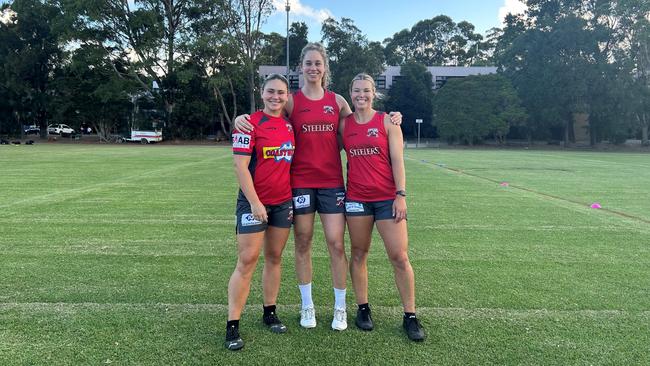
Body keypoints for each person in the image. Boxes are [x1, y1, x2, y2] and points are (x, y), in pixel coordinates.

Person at [234, 43, 402, 331]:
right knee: (303, 242)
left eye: (318, 63)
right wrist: (242, 118)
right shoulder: (291, 102)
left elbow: (360, 121)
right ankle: (307, 305)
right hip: (298, 184)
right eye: (308, 63)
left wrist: (392, 117)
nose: (313, 68)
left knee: (337, 244)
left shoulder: (338, 102)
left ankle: (340, 308)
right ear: (302, 67)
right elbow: (269, 115)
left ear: (325, 68)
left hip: (332, 184)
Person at [340, 73, 425, 342]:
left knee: (399, 256)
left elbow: (398, 161)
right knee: (358, 254)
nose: (361, 95)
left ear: (374, 93)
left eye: (366, 90)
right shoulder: (344, 125)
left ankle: (410, 316)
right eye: (356, 91)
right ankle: (363, 309)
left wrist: (401, 194)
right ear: (350, 93)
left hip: (387, 199)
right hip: (356, 199)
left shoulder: (388, 121)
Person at [225, 74, 295, 351]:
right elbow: (240, 167)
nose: (275, 97)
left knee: (274, 257)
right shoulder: (248, 124)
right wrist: (255, 202)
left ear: (287, 96)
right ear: (262, 93)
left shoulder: (290, 126)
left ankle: (270, 312)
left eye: (280, 93)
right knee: (247, 260)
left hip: (283, 202)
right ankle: (233, 325)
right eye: (270, 92)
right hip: (253, 203)